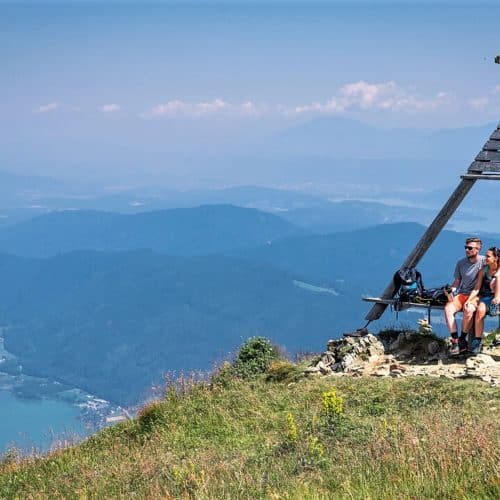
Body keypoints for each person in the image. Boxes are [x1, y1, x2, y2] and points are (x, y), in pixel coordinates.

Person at [445, 237, 485, 355]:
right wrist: (451, 290)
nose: (467, 250)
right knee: (448, 309)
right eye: (466, 247)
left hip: (478, 295)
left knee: (469, 310)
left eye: (470, 248)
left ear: (477, 249)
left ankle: (462, 339)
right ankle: (456, 341)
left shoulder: (484, 261)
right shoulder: (460, 263)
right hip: (463, 294)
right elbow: (457, 282)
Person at [465, 247, 500, 354]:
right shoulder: (483, 270)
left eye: (488, 256)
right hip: (486, 297)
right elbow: (477, 288)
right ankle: (477, 340)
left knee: (498, 278)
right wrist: (469, 299)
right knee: (480, 310)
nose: (486, 258)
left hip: (496, 296)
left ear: (496, 258)